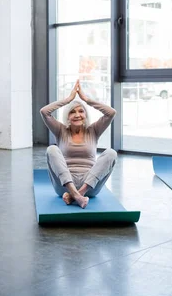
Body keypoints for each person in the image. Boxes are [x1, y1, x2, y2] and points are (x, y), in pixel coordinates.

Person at [40, 79, 117, 209]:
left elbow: (111, 113)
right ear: (67, 116)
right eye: (72, 112)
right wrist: (68, 99)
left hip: (89, 187)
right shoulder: (61, 131)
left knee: (111, 153)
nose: (77, 115)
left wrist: (86, 99)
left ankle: (76, 195)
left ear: (85, 115)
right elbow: (44, 112)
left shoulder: (93, 131)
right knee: (52, 149)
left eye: (81, 111)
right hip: (64, 186)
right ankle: (75, 194)